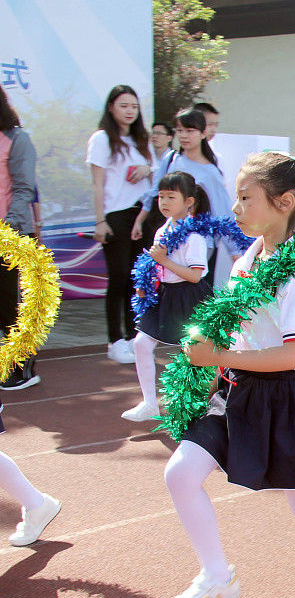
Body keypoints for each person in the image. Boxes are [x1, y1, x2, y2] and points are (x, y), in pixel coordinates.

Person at [161, 149, 295, 598]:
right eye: (236, 198)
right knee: (181, 474)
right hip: (236, 391)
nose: (236, 209)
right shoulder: (249, 257)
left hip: (286, 396)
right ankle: (216, 576)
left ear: (285, 201)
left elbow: (293, 355)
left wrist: (219, 358)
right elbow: (234, 327)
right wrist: (207, 367)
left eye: (246, 198)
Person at [122, 172, 215, 422]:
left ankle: (203, 403)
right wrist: (147, 284)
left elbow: (195, 275)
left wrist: (163, 260)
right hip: (165, 294)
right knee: (141, 344)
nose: (163, 202)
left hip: (190, 297)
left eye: (170, 196)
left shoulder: (193, 235)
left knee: (196, 352)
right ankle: (150, 404)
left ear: (189, 201)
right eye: (161, 196)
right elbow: (157, 264)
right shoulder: (164, 229)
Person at [132, 108, 238, 287]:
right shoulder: (171, 159)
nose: (184, 136)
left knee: (192, 291)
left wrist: (235, 251)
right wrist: (140, 220)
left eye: (190, 131)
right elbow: (154, 192)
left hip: (198, 241)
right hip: (170, 235)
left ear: (203, 133)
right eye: (180, 131)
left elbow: (222, 211)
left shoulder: (211, 171)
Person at [87, 85, 154, 365]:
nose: (129, 111)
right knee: (118, 278)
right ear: (111, 107)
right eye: (124, 105)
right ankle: (114, 339)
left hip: (141, 214)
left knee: (136, 278)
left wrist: (148, 169)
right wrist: (100, 220)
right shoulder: (102, 139)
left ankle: (130, 336)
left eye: (134, 106)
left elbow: (154, 174)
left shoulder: (142, 140)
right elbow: (98, 183)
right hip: (116, 214)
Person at [0, 88, 40, 390]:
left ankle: (24, 366)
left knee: (8, 303)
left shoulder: (17, 139)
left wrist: (7, 227)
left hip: (10, 233)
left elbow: (25, 188)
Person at [192, 102, 225, 175]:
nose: (213, 129)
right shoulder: (173, 159)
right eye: (209, 124)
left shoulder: (217, 158)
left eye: (216, 125)